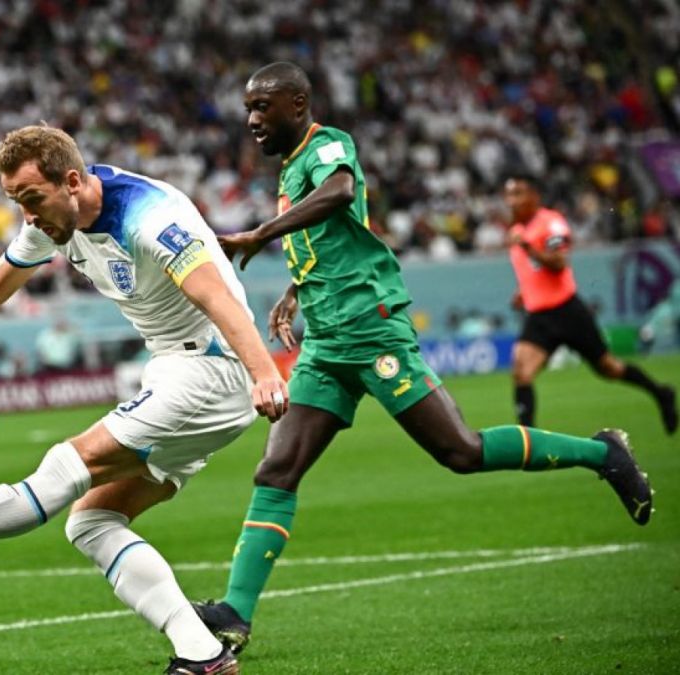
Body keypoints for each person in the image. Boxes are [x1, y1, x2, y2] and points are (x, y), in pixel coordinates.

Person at [192, 62, 656, 656]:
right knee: (277, 470)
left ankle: (603, 452)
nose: (252, 120)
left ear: (299, 104)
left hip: (372, 332)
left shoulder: (328, 145)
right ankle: (235, 613)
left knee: (460, 451)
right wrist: (296, 289)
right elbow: (334, 235)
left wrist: (262, 233)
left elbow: (339, 194)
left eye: (263, 106)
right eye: (248, 109)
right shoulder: (290, 167)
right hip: (327, 344)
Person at [0, 125, 287, 675]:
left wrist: (264, 373)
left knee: (68, 463)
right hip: (177, 369)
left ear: (71, 181)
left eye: (32, 198)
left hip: (211, 369)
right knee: (91, 522)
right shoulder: (53, 218)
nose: (27, 215)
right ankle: (202, 654)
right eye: (15, 201)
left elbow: (216, 295)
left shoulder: (148, 218)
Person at [503, 174, 676, 434]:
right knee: (521, 372)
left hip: (567, 311)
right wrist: (523, 291)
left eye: (518, 193)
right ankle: (528, 441)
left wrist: (528, 247)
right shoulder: (517, 231)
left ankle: (661, 393)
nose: (511, 201)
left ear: (534, 196)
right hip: (538, 315)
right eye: (508, 194)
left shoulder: (550, 223)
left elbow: (559, 262)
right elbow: (533, 271)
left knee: (609, 368)